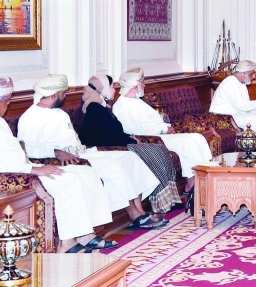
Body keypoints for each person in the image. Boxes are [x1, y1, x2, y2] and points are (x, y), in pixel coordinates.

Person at [17, 74, 167, 230]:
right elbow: (27, 149)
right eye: (64, 93)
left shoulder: (59, 113)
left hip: (81, 153)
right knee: (113, 166)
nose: (66, 96)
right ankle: (134, 215)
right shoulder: (30, 117)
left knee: (130, 157)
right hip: (62, 161)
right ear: (54, 95)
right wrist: (56, 152)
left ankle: (140, 211)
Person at [0, 76, 117, 253]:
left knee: (85, 173)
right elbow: (7, 161)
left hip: (23, 168)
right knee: (68, 180)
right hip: (15, 175)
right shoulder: (29, 117)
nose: (8, 105)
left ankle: (86, 233)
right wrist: (35, 169)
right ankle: (67, 242)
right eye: (7, 101)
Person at [79, 73, 182, 214]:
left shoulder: (101, 107)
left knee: (160, 150)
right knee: (152, 154)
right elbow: (110, 136)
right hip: (106, 149)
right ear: (101, 89)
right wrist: (131, 140)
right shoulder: (94, 109)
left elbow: (111, 132)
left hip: (117, 144)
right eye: (111, 87)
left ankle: (162, 203)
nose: (115, 90)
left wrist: (128, 137)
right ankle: (154, 205)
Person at [113, 68, 213, 194]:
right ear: (135, 86)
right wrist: (164, 128)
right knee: (188, 142)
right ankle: (191, 184)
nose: (144, 85)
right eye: (142, 83)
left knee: (197, 138)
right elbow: (138, 130)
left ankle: (205, 178)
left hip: (160, 134)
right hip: (152, 140)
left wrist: (165, 127)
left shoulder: (135, 101)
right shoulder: (123, 105)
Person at [210, 60, 256, 148]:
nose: (254, 77)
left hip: (235, 115)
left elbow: (245, 106)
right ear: (243, 74)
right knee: (253, 120)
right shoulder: (230, 83)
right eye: (252, 74)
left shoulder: (241, 83)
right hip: (222, 118)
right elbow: (241, 106)